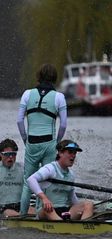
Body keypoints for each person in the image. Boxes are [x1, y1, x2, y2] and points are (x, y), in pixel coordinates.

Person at [17, 63, 68, 215]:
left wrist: (25, 139)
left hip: (32, 142)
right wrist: (57, 143)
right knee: (45, 182)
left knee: (28, 183)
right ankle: (41, 216)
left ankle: (22, 216)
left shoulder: (27, 94)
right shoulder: (59, 97)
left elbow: (19, 121)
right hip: (50, 143)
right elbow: (63, 124)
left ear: (39, 77)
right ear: (54, 78)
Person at [27, 140, 93, 220]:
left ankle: (84, 227)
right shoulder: (50, 168)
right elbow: (31, 179)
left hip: (64, 212)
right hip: (46, 211)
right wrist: (44, 198)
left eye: (75, 153)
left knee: (88, 204)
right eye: (70, 152)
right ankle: (64, 226)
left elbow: (72, 199)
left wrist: (86, 209)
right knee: (47, 208)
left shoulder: (71, 175)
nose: (73, 155)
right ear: (60, 153)